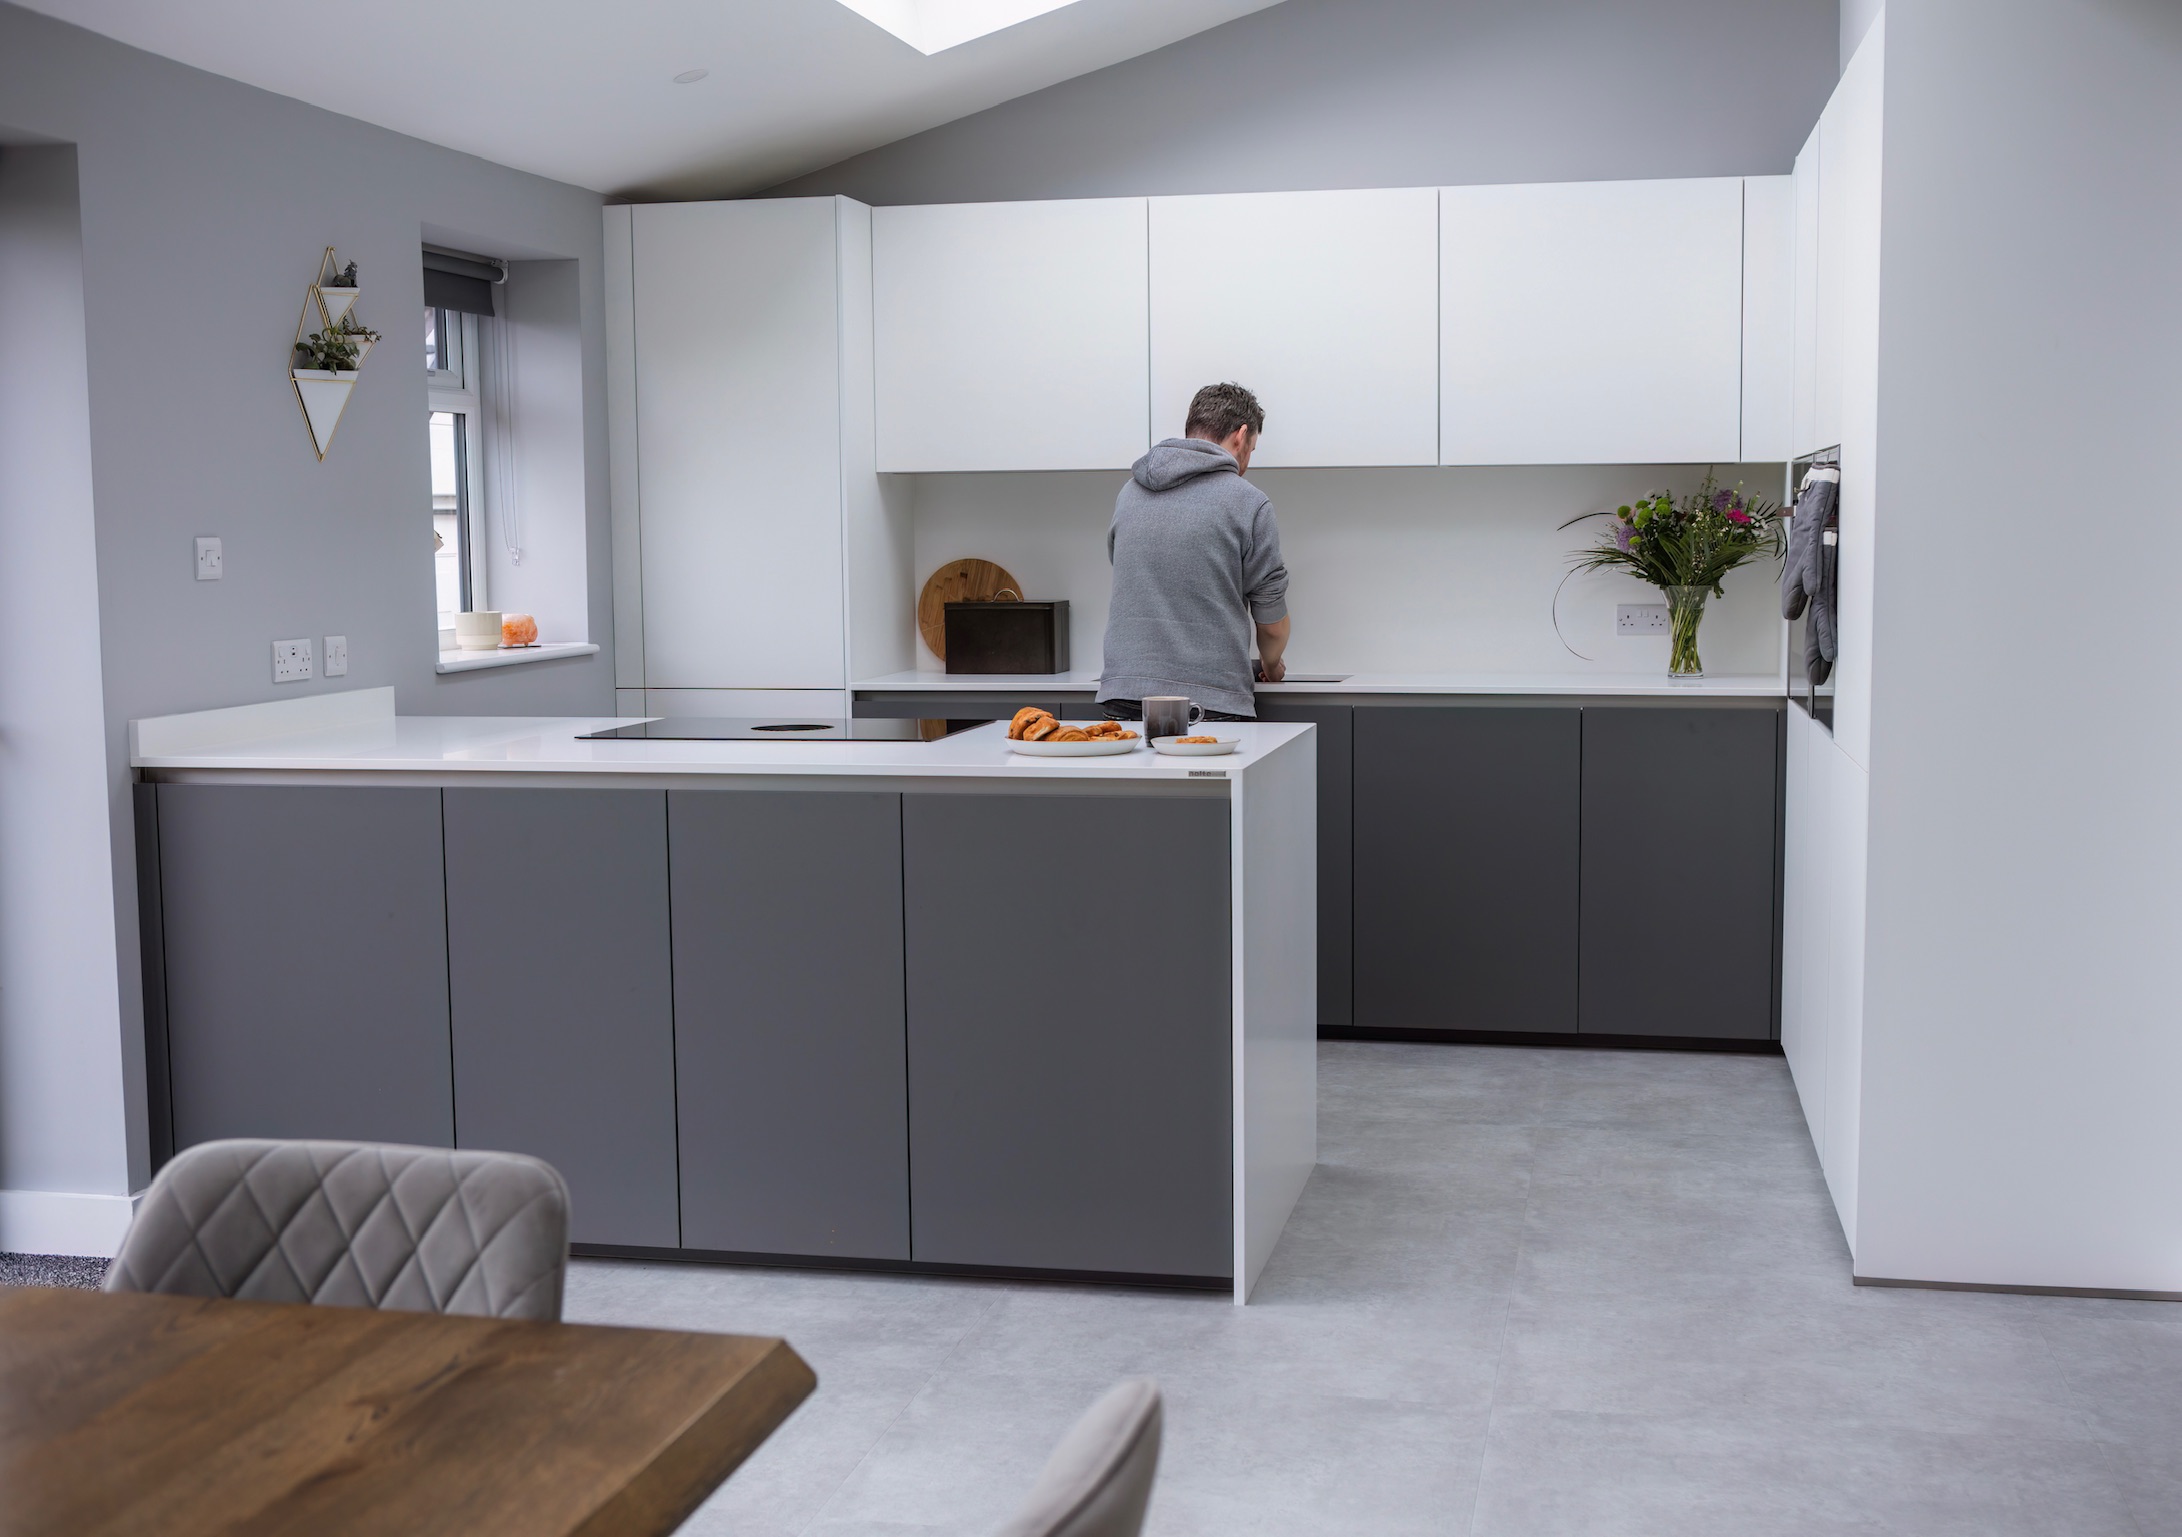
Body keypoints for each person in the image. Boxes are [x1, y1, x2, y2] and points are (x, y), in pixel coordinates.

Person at [1097, 382, 1290, 723]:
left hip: (1124, 696)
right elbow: (1272, 627)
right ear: (1240, 435)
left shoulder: (1129, 493)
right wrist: (1272, 666)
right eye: (1252, 449)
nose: (1246, 463)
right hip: (1209, 702)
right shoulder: (1249, 502)